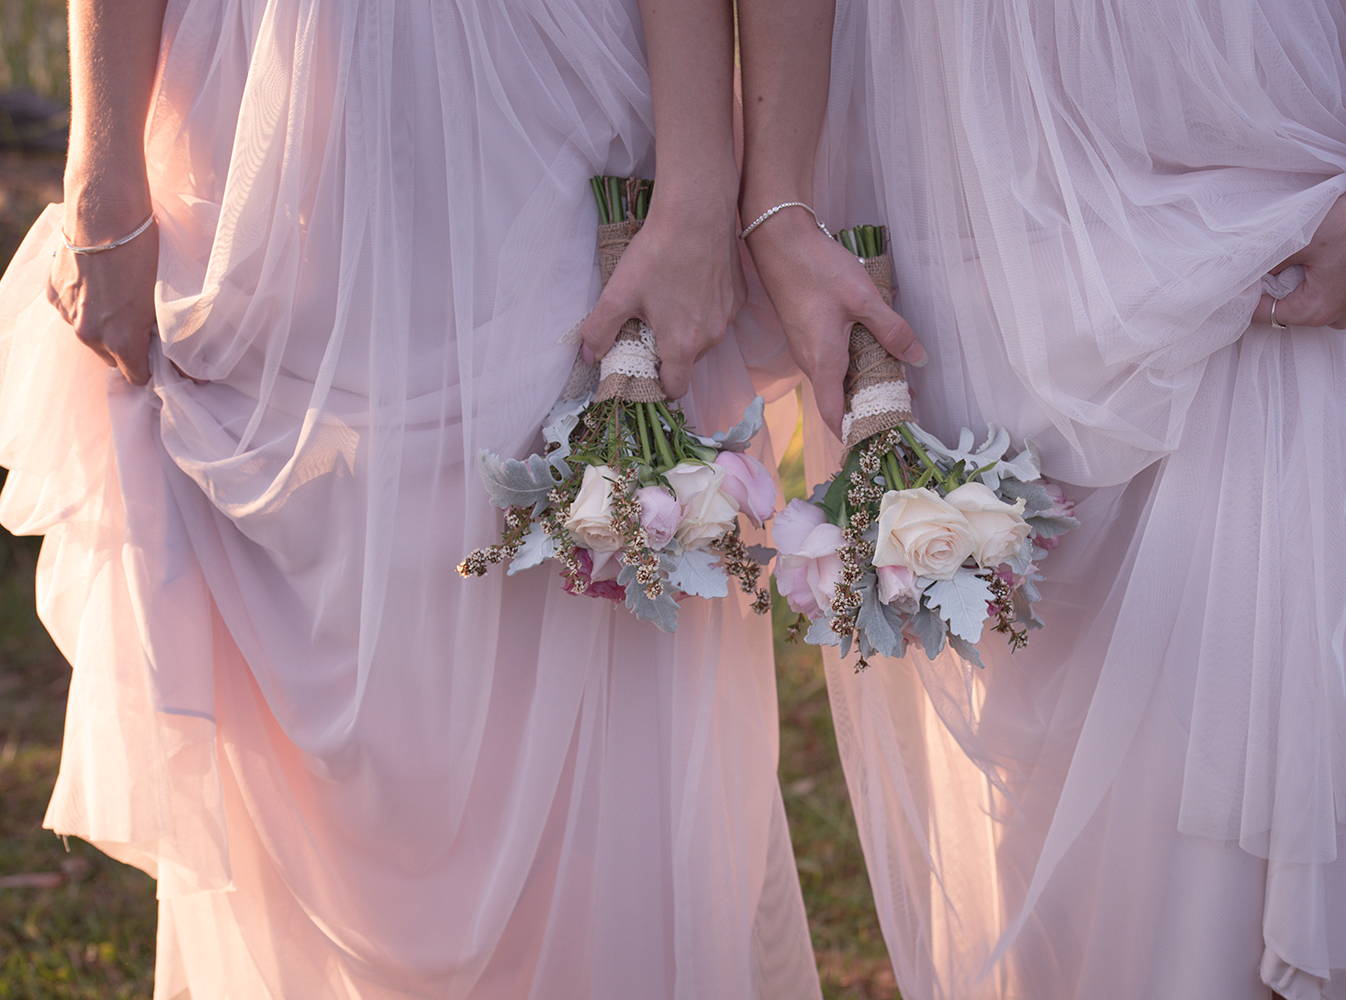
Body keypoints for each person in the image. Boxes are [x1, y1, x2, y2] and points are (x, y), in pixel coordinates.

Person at [0, 0, 820, 996]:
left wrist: (699, 182)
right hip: (260, 120)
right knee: (318, 671)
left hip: (539, 100)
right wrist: (101, 161)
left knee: (586, 638)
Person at [739, 0, 1346, 997]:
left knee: (1261, 733)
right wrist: (778, 199)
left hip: (1256, 118)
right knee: (1050, 756)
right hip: (982, 134)